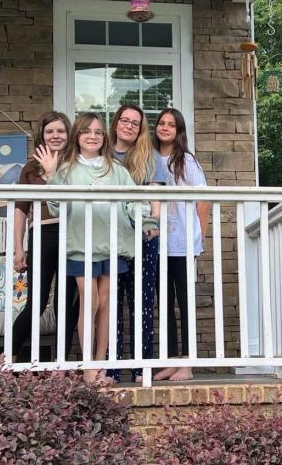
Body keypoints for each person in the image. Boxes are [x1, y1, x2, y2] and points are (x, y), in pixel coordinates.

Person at [39, 112, 157, 384]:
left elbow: (133, 201)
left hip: (114, 245)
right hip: (82, 245)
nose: (92, 136)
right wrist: (50, 175)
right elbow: (56, 205)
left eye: (98, 132)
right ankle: (89, 366)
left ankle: (102, 364)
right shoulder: (67, 170)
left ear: (103, 137)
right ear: (77, 136)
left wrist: (147, 220)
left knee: (106, 304)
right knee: (89, 301)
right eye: (86, 131)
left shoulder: (116, 170)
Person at [11, 111, 78, 363]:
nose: (55, 136)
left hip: (73, 233)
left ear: (68, 134)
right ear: (42, 135)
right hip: (42, 233)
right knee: (36, 302)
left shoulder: (76, 163)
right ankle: (9, 356)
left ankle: (61, 362)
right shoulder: (31, 168)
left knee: (67, 303)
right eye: (50, 131)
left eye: (60, 131)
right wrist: (19, 248)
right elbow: (20, 209)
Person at [107, 105, 165, 383]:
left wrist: (152, 223)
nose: (129, 126)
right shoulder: (102, 153)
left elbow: (155, 198)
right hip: (108, 240)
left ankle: (142, 367)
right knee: (111, 303)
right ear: (116, 123)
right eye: (124, 120)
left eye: (135, 123)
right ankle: (113, 368)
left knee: (142, 302)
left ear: (141, 129)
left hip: (142, 237)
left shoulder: (149, 156)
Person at [152, 108, 209, 382]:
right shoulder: (150, 159)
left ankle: (187, 363)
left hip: (183, 242)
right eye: (161, 123)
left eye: (170, 124)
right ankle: (171, 360)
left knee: (185, 303)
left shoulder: (186, 161)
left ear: (178, 130)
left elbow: (202, 201)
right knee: (164, 302)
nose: (164, 128)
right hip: (157, 243)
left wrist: (201, 237)